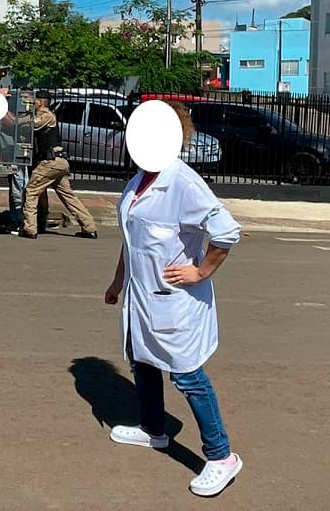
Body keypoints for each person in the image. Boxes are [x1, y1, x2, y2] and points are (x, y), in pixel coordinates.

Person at [103, 100, 244, 498]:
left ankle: (221, 457)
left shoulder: (183, 182)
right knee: (143, 361)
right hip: (140, 295)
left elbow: (227, 232)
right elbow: (132, 241)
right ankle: (153, 429)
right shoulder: (139, 181)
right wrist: (117, 281)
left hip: (173, 299)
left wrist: (201, 271)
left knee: (187, 376)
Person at [19, 91, 97, 240]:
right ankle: (89, 227)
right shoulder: (44, 115)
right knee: (67, 196)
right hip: (58, 163)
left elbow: (32, 125)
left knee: (31, 190)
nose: (32, 104)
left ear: (40, 103)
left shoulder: (47, 115)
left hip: (51, 163)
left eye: (34, 101)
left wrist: (13, 119)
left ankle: (30, 229)